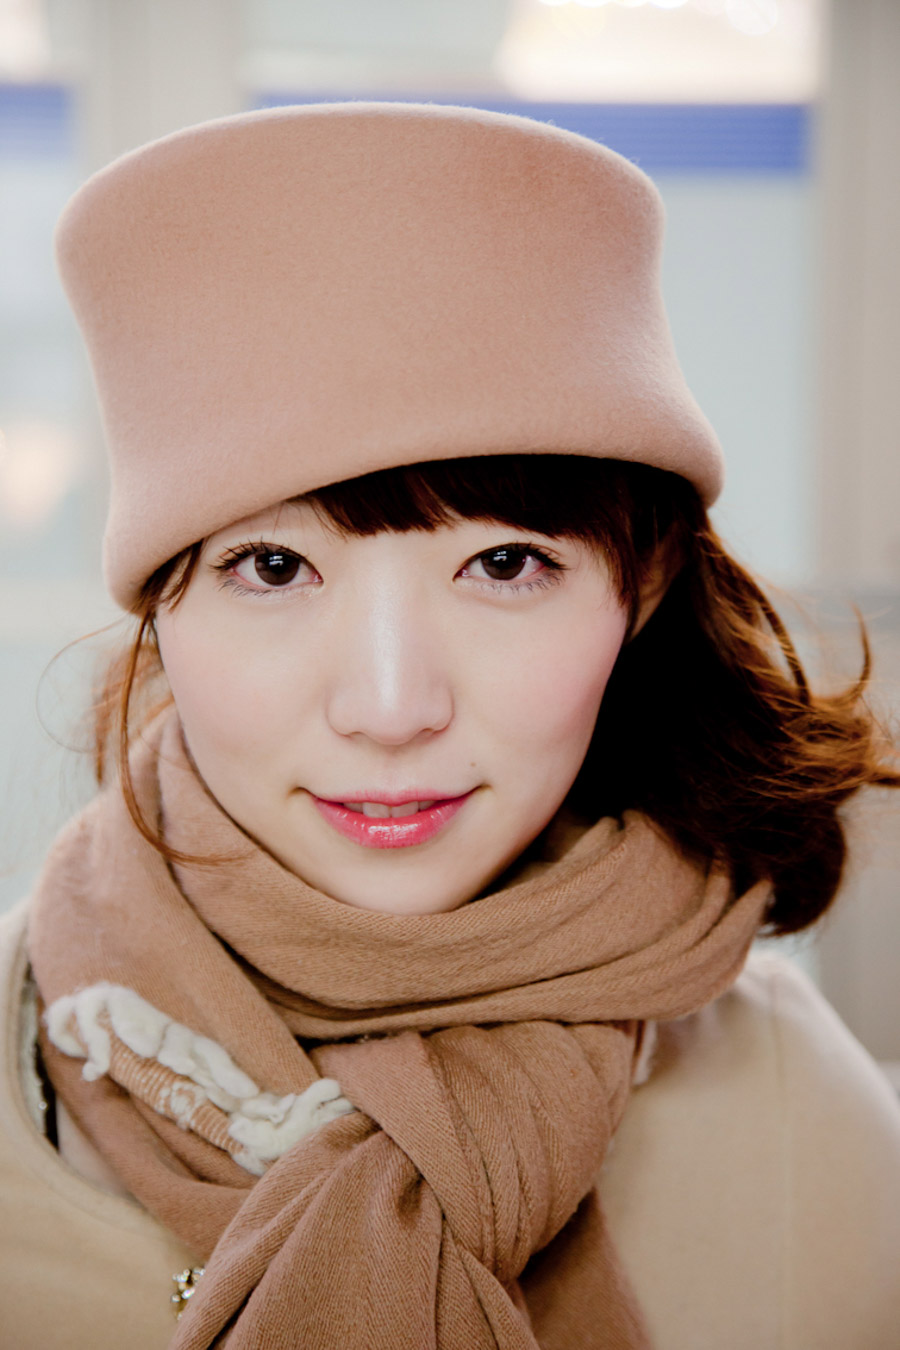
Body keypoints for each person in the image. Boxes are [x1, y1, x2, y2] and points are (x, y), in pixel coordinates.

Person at [1, 101, 899, 1350]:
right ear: (163, 606)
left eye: (506, 564)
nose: (390, 708)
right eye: (273, 567)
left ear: (640, 591)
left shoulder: (804, 1122)